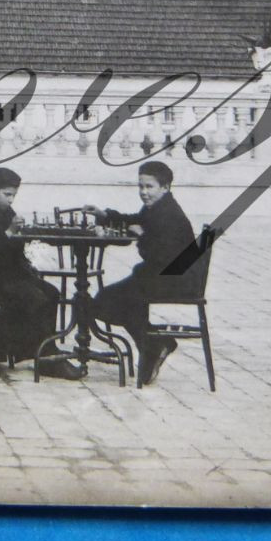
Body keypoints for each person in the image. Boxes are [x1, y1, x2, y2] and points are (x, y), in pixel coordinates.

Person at [0, 167, 85, 380]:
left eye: (14, 195)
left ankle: (44, 351)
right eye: (7, 195)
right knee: (34, 298)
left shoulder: (2, 210)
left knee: (51, 292)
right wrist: (10, 233)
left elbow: (8, 251)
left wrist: (20, 242)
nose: (11, 200)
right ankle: (43, 357)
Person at [82, 160, 196, 386]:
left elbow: (161, 255)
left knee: (107, 300)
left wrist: (142, 237)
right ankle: (153, 345)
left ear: (165, 188)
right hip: (157, 276)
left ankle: (152, 345)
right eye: (141, 187)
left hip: (173, 280)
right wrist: (105, 214)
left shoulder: (169, 215)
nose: (144, 192)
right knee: (113, 299)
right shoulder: (157, 208)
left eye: (149, 187)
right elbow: (136, 220)